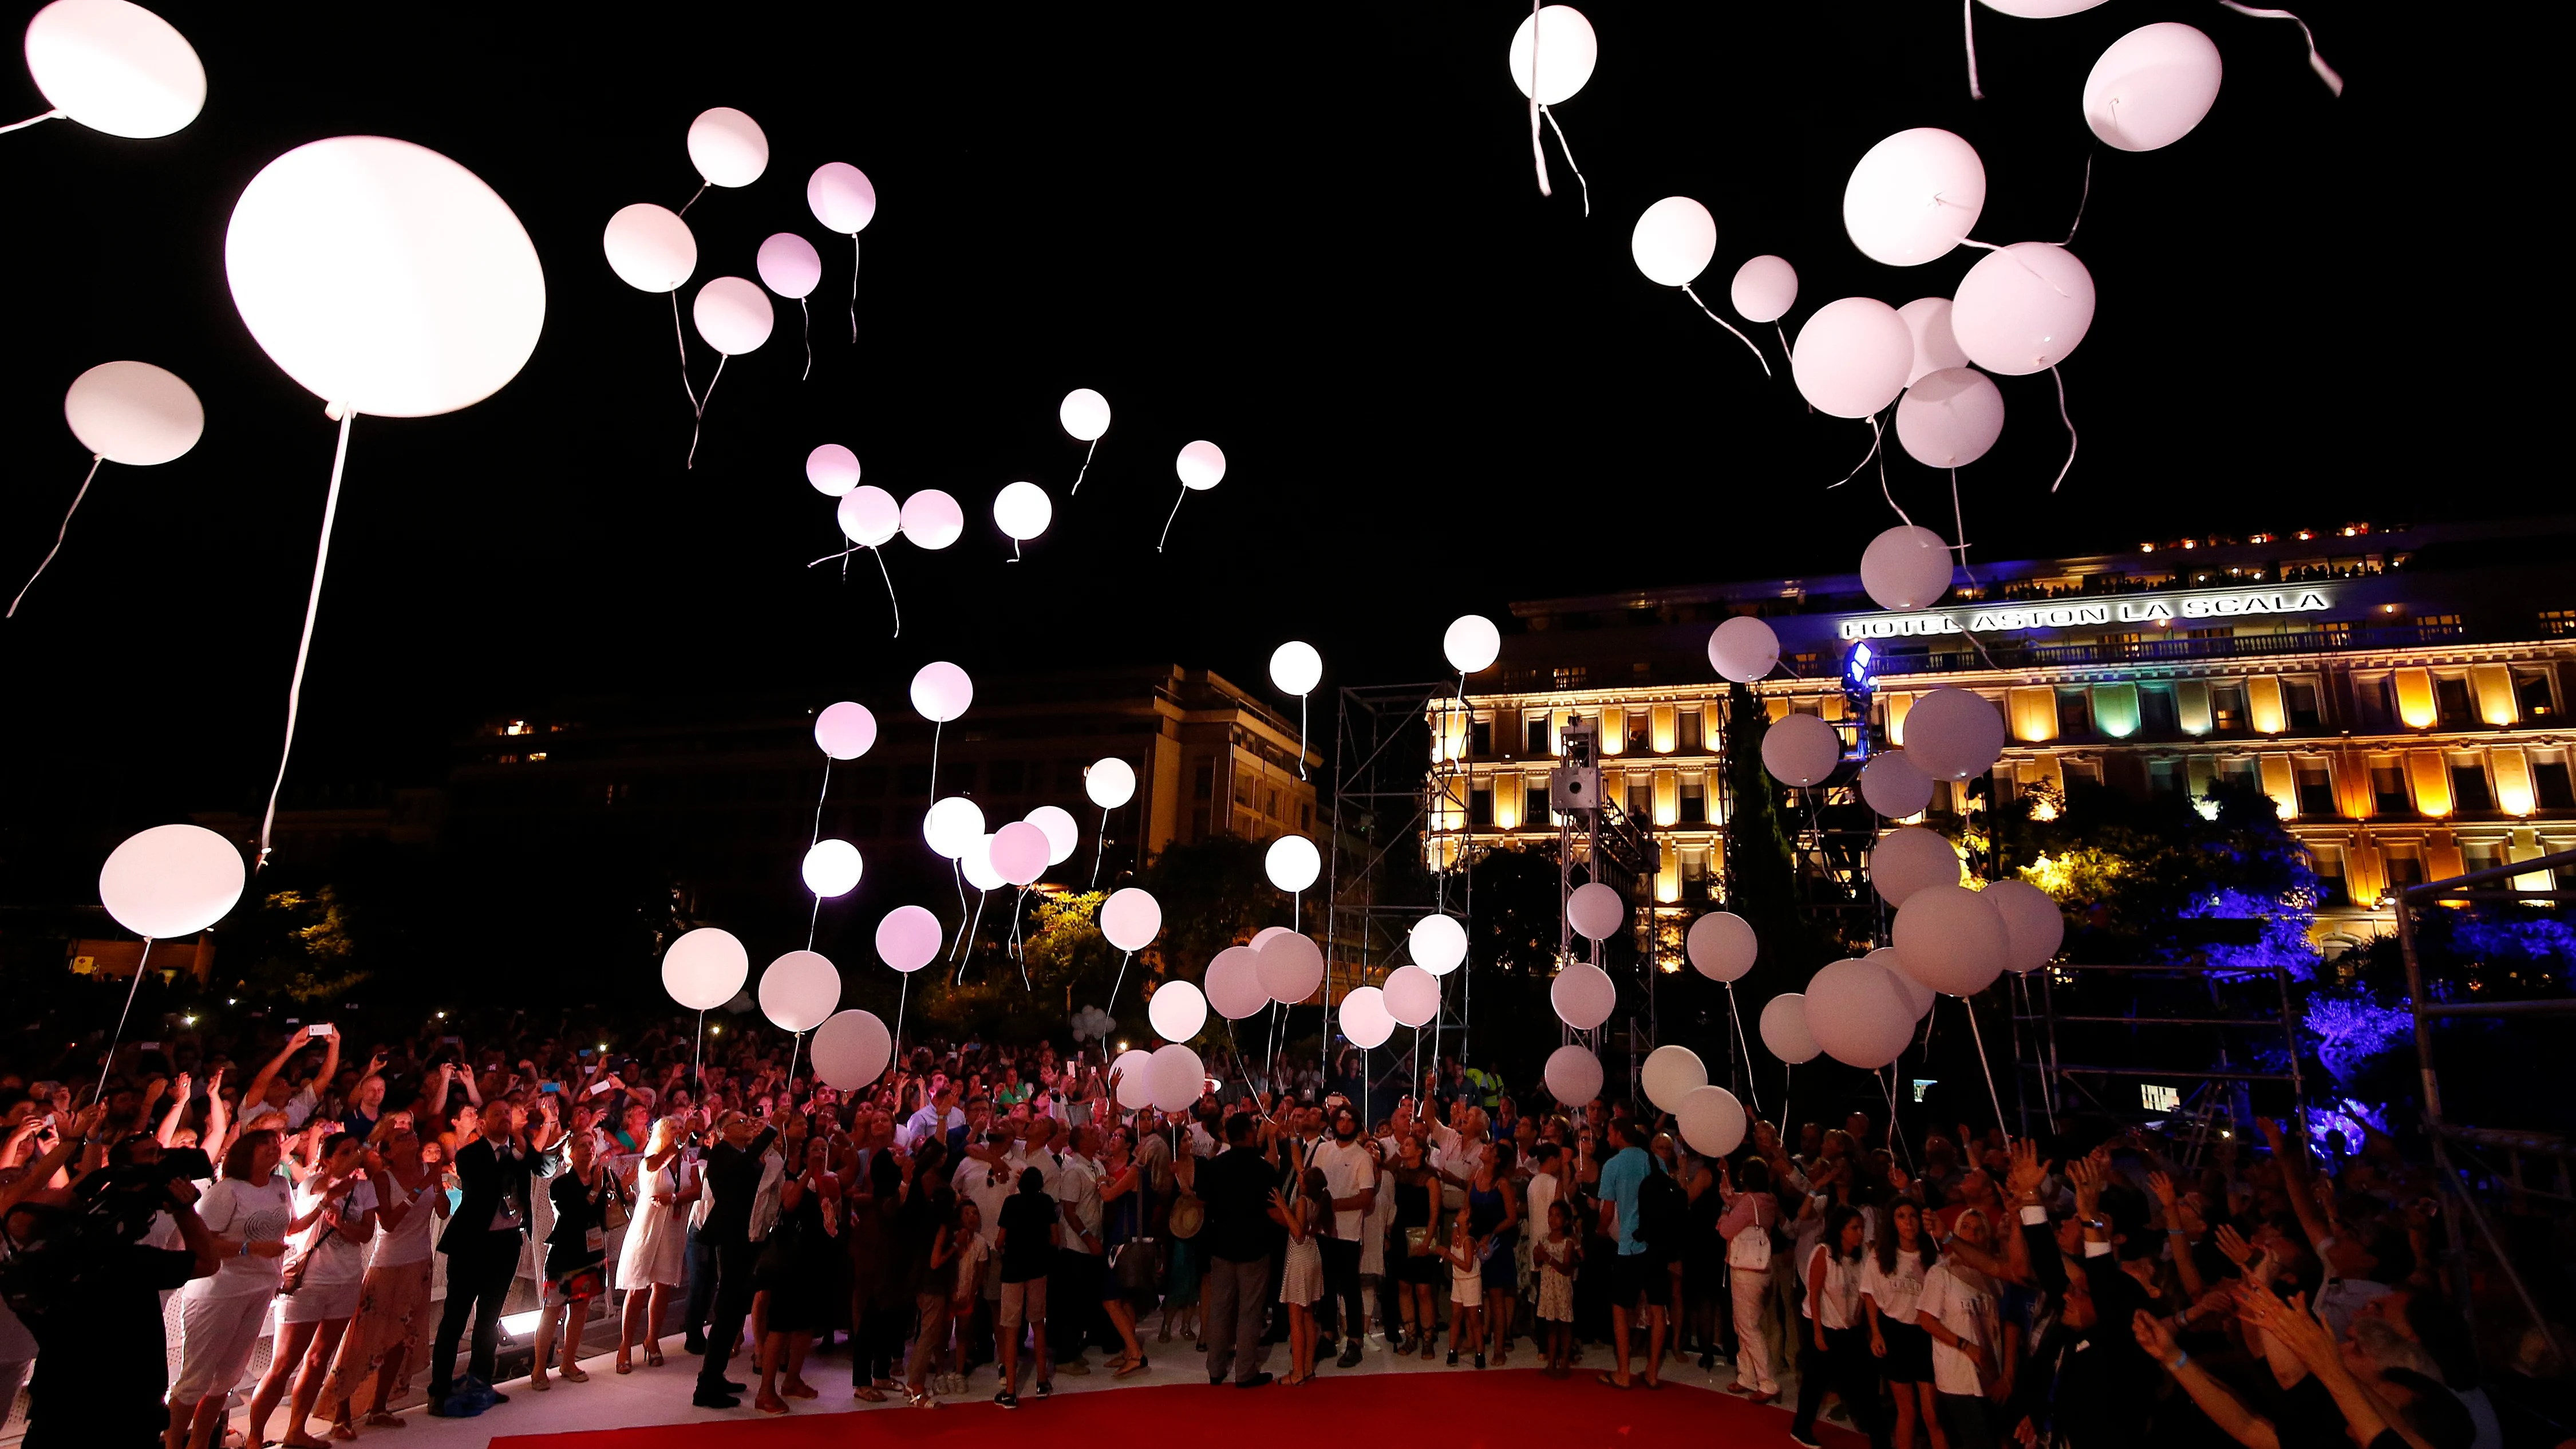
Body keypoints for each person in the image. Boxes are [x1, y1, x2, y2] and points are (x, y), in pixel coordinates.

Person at [1, 1119, 223, 1449]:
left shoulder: (22, 1274)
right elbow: (207, 1262)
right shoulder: (124, 1263)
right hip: (126, 1413)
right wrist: (184, 1210)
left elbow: (72, 1197)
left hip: (59, 1409)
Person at [428, 1097, 566, 1416]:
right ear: (482, 1123)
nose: (506, 1118)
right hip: (472, 1245)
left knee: (490, 1319)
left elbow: (545, 1168)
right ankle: (439, 1389)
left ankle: (481, 1381)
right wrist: (518, 1149)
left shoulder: (518, 1150)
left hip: (506, 1243)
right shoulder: (470, 1155)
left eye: (509, 1113)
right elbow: (490, 1181)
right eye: (498, 1114)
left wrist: (531, 1137)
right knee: (456, 1317)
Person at [170, 1127, 294, 1449]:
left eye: (276, 1143)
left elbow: (286, 1226)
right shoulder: (227, 1191)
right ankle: (172, 1444)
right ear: (245, 1153)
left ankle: (199, 1444)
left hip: (260, 1288)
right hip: (218, 1291)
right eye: (264, 1144)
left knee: (226, 1379)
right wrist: (249, 1249)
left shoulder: (281, 1185)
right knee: (196, 1378)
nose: (273, 1148)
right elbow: (201, 1240)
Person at [322, 1122, 448, 1432]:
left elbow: (443, 1212)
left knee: (401, 1339)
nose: (411, 1138)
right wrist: (421, 1187)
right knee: (364, 1338)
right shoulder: (383, 1179)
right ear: (388, 1152)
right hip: (389, 1264)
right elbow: (389, 1223)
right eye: (401, 1137)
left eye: (412, 1135)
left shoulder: (426, 1170)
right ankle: (342, 1412)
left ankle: (380, 1406)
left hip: (420, 1261)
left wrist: (437, 1185)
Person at [1187, 1111, 1284, 1388]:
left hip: (1222, 1245)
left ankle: (1215, 1368)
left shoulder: (1214, 1167)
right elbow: (1272, 1207)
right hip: (1255, 1246)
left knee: (1220, 1308)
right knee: (1250, 1311)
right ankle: (1245, 1371)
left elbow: (1201, 1202)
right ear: (1251, 1134)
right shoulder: (1264, 1169)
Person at [689, 1107, 775, 1410]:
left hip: (746, 1238)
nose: (747, 1124)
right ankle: (706, 1386)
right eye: (740, 1122)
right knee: (728, 1310)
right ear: (723, 1130)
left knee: (737, 1310)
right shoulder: (723, 1153)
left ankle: (716, 1375)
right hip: (733, 1239)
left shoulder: (738, 1154)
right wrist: (771, 1131)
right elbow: (742, 1170)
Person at [1789, 1204, 1887, 1449]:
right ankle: (1801, 1428)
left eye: (1862, 1228)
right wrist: (1818, 1334)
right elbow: (1814, 1293)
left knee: (1865, 1382)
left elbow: (1866, 1294)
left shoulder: (1862, 1255)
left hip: (1850, 1329)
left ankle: (1878, 1437)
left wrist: (1866, 1326)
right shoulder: (1824, 1253)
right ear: (1841, 1230)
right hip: (1823, 1324)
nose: (1860, 1233)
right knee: (1815, 1382)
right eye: (1855, 1228)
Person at [753, 1136, 838, 1414]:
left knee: (804, 1327)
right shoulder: (792, 1178)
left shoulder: (830, 1181)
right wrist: (808, 1175)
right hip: (790, 1262)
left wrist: (820, 1176)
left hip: (815, 1261)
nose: (819, 1153)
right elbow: (789, 1204)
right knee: (780, 1327)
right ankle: (766, 1391)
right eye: (814, 1149)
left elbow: (831, 1209)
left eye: (823, 1149)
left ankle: (792, 1380)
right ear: (804, 1155)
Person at [531, 1129, 617, 1392]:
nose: (589, 1149)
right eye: (582, 1145)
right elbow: (574, 1214)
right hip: (565, 1255)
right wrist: (595, 1191)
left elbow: (609, 1211)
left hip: (591, 1254)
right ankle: (538, 1369)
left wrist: (617, 1191)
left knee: (581, 1309)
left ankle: (568, 1362)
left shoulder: (602, 1177)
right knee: (553, 1310)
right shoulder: (560, 1185)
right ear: (570, 1152)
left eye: (592, 1144)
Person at [1915, 1206, 2001, 1449]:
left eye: (1979, 1230)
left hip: (1989, 1376)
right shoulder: (1941, 1273)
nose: (1972, 1234)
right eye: (1966, 1227)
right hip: (1958, 1378)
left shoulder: (1994, 1275)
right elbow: (1927, 1320)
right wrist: (1965, 1346)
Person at [614, 1115, 693, 1372]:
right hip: (646, 1230)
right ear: (660, 1133)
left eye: (682, 1128)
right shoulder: (651, 1160)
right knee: (638, 1287)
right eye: (673, 1128)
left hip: (671, 1228)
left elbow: (697, 1190)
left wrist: (674, 1197)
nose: (679, 1132)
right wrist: (680, 1142)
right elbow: (658, 1163)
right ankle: (625, 1344)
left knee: (663, 1286)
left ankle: (653, 1338)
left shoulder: (687, 1163)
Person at [1594, 1116, 1665, 1390]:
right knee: (1658, 1309)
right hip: (1657, 1245)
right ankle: (1652, 1371)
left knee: (1620, 1308)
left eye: (1609, 1133)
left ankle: (1623, 1372)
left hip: (1630, 1245)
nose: (1607, 1137)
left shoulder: (1613, 1165)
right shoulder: (1656, 1161)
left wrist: (1600, 1231)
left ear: (1618, 1134)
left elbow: (1608, 1211)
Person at [1864, 1195, 1940, 1449]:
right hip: (1893, 1333)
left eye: (1913, 1216)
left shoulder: (1933, 1257)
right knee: (1906, 1410)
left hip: (1925, 1336)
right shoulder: (1881, 1257)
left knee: (1932, 1416)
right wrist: (1876, 1333)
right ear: (1892, 1222)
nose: (1908, 1222)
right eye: (1901, 1216)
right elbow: (1870, 1295)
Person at [1308, 1103, 1376, 1368]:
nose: (1344, 1124)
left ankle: (1355, 1340)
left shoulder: (1363, 1157)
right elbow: (1312, 1183)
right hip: (1324, 1231)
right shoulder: (1323, 1150)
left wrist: (1333, 1205)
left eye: (1350, 1120)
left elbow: (1366, 1197)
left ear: (1357, 1125)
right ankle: (1327, 1334)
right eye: (1341, 1119)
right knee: (1325, 1286)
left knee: (1350, 1287)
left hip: (1348, 1233)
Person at [1717, 1154, 1781, 1403]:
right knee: (1743, 1324)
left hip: (1746, 1271)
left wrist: (1724, 1214)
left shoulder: (1749, 1203)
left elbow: (1726, 1230)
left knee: (1748, 1327)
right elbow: (1731, 1196)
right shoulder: (1767, 1200)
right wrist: (1726, 1174)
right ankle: (1747, 1377)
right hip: (1760, 1269)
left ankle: (1767, 1382)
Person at [994, 1166, 1058, 1408]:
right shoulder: (1046, 1202)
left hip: (1012, 1269)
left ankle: (1010, 1391)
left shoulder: (1011, 1203)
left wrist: (1002, 1247)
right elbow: (1055, 1238)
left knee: (1011, 1328)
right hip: (1038, 1268)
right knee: (1038, 1324)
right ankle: (1042, 1381)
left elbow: (1001, 1239)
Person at [1387, 1131, 1442, 1359]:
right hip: (1401, 1234)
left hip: (1422, 1235)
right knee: (1404, 1286)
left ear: (1420, 1150)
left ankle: (1427, 1338)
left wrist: (1427, 1242)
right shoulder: (1399, 1175)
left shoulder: (1430, 1178)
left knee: (1423, 1289)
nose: (1403, 1147)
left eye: (1408, 1144)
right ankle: (1410, 1336)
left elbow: (1434, 1214)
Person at [1471, 1140, 1523, 1367]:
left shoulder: (1502, 1184)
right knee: (1475, 1295)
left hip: (1497, 1246)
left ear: (1497, 1159)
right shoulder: (1476, 1176)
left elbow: (1512, 1218)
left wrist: (1491, 1233)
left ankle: (1499, 1347)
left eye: (1490, 1149)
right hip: (1475, 1242)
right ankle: (1477, 1340)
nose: (1485, 1148)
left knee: (1496, 1297)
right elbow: (1466, 1208)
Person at [1274, 1165, 1326, 1385]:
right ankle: (1307, 1368)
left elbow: (1297, 1232)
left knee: (1295, 1317)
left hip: (1300, 1258)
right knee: (1307, 1315)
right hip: (1312, 1254)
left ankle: (1297, 1373)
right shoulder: (1320, 1201)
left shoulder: (1304, 1201)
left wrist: (1283, 1207)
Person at [1534, 1197, 1581, 1377]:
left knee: (1564, 1326)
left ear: (1566, 1220)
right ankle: (1551, 1362)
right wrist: (1538, 1256)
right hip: (1548, 1287)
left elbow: (1566, 1267)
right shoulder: (1543, 1239)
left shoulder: (1567, 1242)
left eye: (1558, 1216)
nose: (1553, 1219)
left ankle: (1564, 1363)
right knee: (1551, 1326)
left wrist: (1548, 1258)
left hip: (1561, 1287)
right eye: (1550, 1215)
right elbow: (1537, 1264)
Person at [1437, 1205, 1484, 1368]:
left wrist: (1449, 1256)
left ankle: (1480, 1353)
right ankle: (1452, 1351)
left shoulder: (1468, 1242)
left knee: (1474, 1319)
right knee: (1456, 1316)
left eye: (1465, 1213)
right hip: (1459, 1281)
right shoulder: (1457, 1237)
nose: (1461, 1213)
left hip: (1470, 1281)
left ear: (1469, 1224)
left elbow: (1468, 1266)